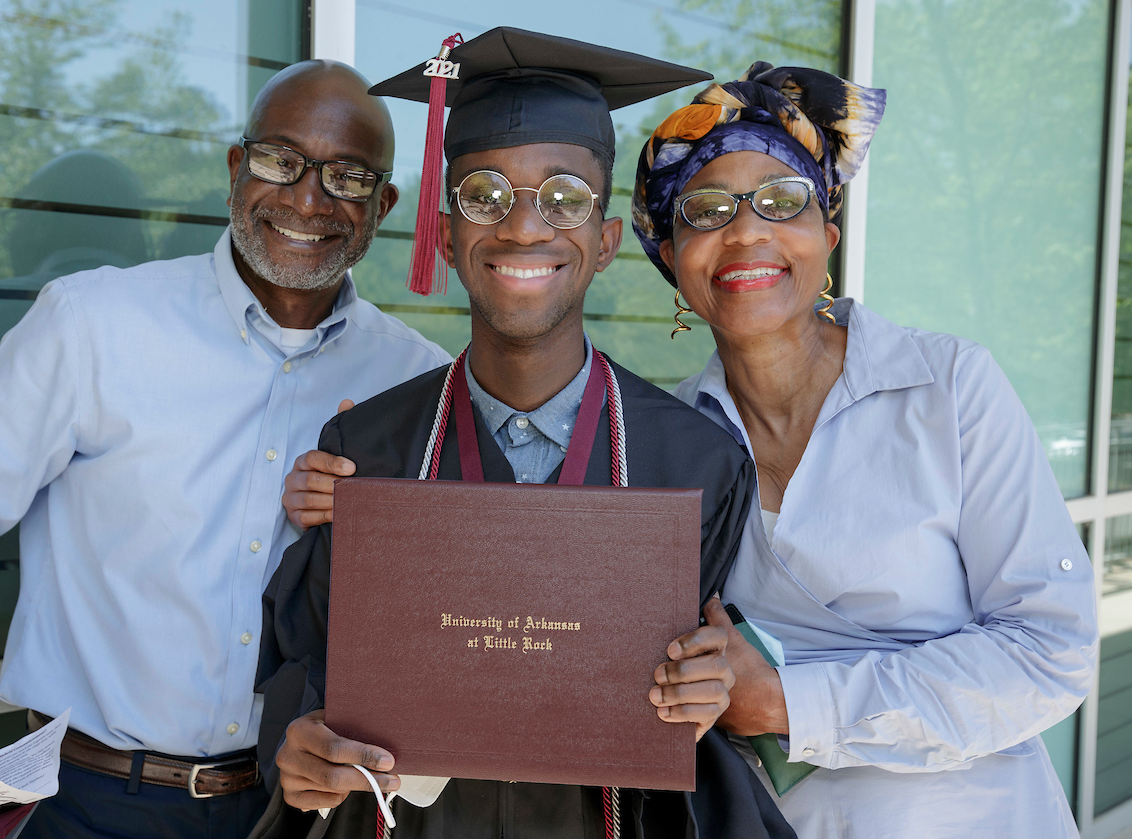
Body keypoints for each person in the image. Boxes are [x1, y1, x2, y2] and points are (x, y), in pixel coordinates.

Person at [251, 28, 796, 839]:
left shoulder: (699, 464)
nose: (522, 226)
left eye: (566, 198)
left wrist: (721, 687)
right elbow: (306, 693)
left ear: (605, 240)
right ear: (444, 233)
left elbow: (748, 696)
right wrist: (300, 762)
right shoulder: (366, 456)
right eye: (484, 196)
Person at [0, 60, 450, 839]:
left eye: (345, 177)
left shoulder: (415, 381)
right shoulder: (93, 325)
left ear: (383, 207)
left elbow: (436, 608)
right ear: (237, 169)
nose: (308, 199)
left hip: (297, 809)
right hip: (86, 801)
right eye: (281, 160)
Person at [628, 63, 1097, 836]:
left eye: (783, 202)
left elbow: (1050, 649)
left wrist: (785, 702)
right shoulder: (663, 441)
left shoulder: (947, 389)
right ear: (676, 264)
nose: (747, 232)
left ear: (827, 237)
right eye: (707, 211)